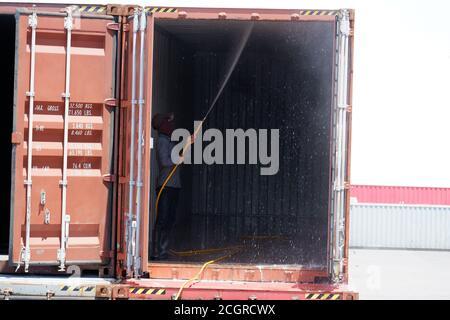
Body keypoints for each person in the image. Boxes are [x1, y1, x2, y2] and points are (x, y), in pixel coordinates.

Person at [151, 112, 182, 260]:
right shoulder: (162, 141)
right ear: (162, 125)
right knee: (163, 219)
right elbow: (165, 161)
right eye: (168, 121)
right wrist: (178, 159)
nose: (171, 124)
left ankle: (164, 249)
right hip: (166, 186)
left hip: (173, 186)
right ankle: (158, 251)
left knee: (170, 219)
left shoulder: (170, 140)